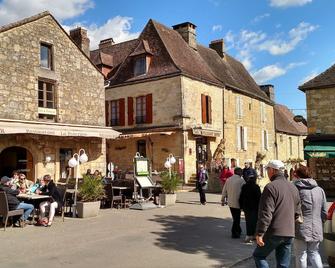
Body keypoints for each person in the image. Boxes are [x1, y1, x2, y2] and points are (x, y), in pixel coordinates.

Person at [253, 160, 302, 268]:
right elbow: (297, 212)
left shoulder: (270, 187)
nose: (267, 172)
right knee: (283, 264)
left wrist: (260, 233)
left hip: (274, 232)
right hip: (289, 232)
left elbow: (266, 213)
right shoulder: (293, 187)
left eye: (268, 170)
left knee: (258, 255)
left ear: (273, 170)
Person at [293, 166, 327, 268]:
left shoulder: (296, 190)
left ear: (297, 175)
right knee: (314, 253)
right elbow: (324, 211)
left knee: (301, 254)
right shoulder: (319, 190)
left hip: (300, 226)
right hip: (316, 226)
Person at [221, 167, 245, 238]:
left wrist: (223, 200)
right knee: (237, 218)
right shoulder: (241, 181)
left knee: (235, 217)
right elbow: (245, 191)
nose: (242, 174)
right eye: (241, 172)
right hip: (238, 202)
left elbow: (224, 190)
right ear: (239, 173)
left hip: (230, 202)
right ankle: (234, 232)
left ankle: (238, 230)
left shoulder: (228, 179)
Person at [239, 174, 261, 243]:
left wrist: (241, 206)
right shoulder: (256, 187)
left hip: (246, 207)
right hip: (255, 207)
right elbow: (259, 197)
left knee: (248, 221)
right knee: (254, 221)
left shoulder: (244, 186)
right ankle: (254, 235)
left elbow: (241, 196)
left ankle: (249, 235)